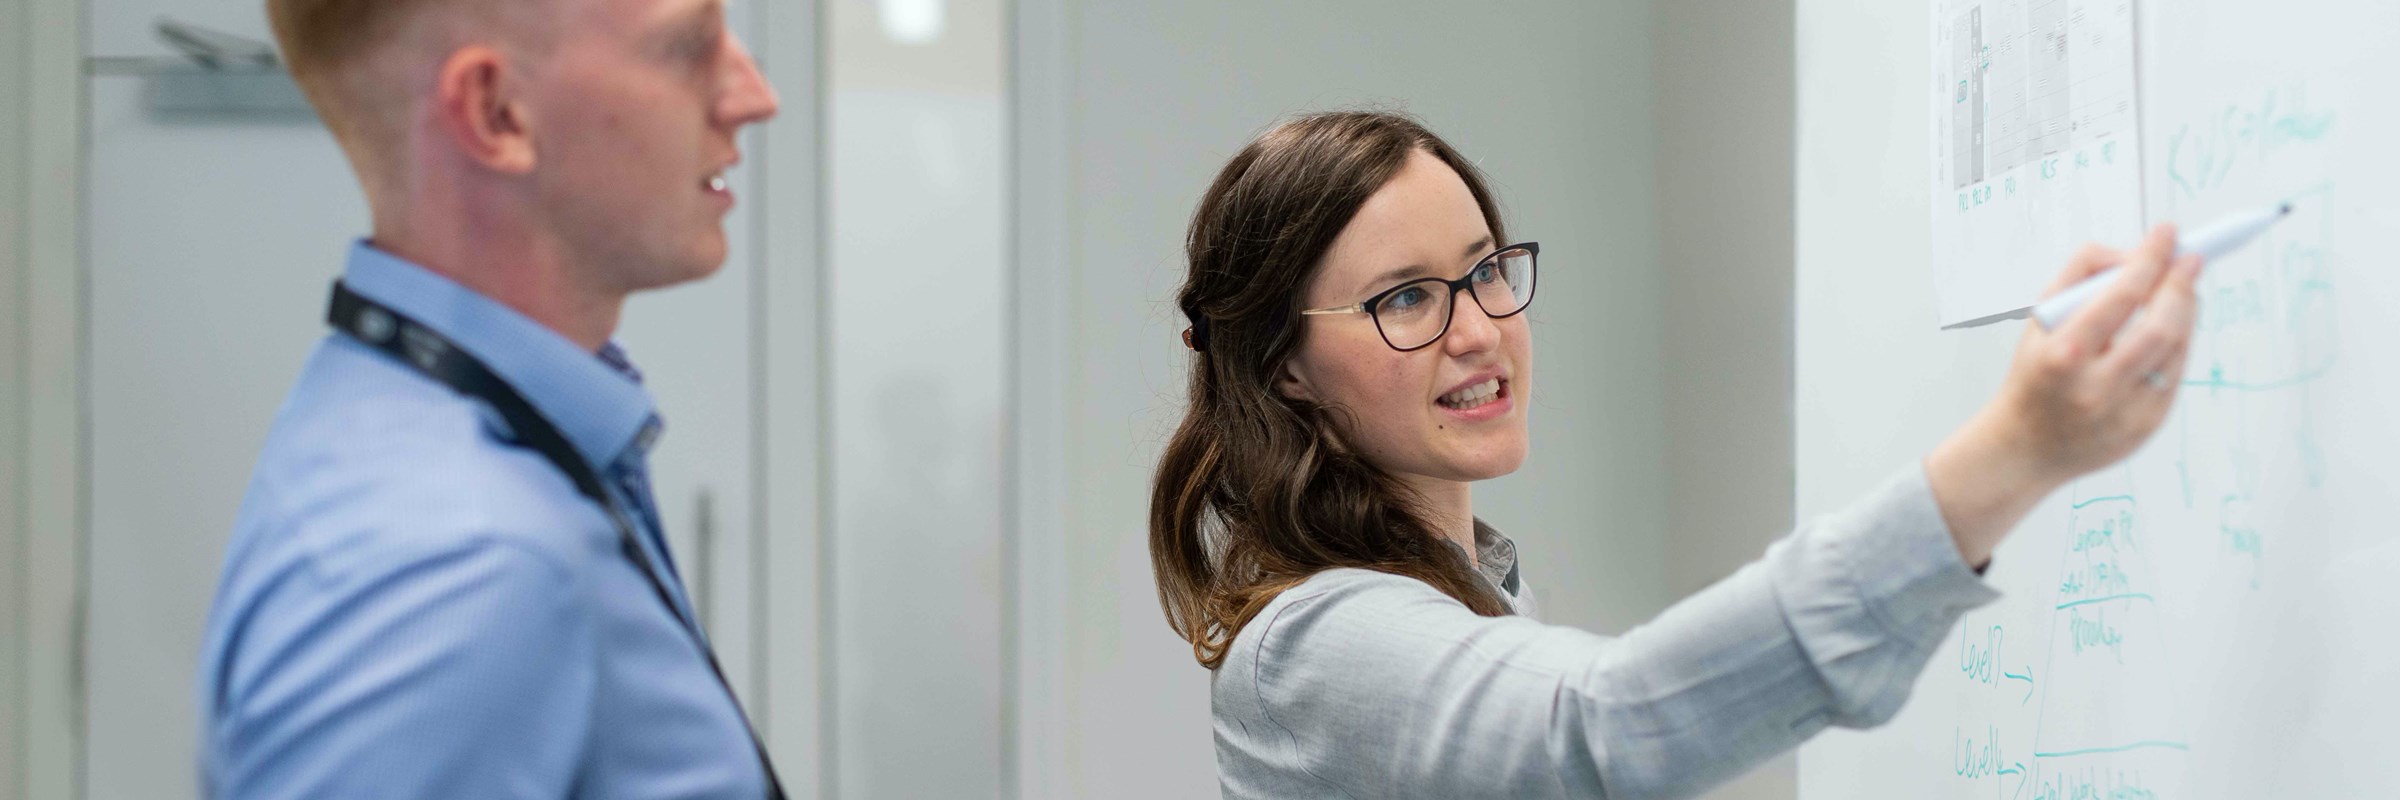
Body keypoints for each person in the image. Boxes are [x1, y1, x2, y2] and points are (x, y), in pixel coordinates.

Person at [1149, 111, 2199, 799]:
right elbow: (1603, 728)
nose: (1479, 329)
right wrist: (2012, 452)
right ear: (1285, 364)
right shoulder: (1312, 645)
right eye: (1407, 297)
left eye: (1485, 271)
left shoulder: (1479, 589)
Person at [195, 0, 782, 796]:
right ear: (496, 113)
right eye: (688, 44)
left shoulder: (431, 430)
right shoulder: (453, 567)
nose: (753, 95)